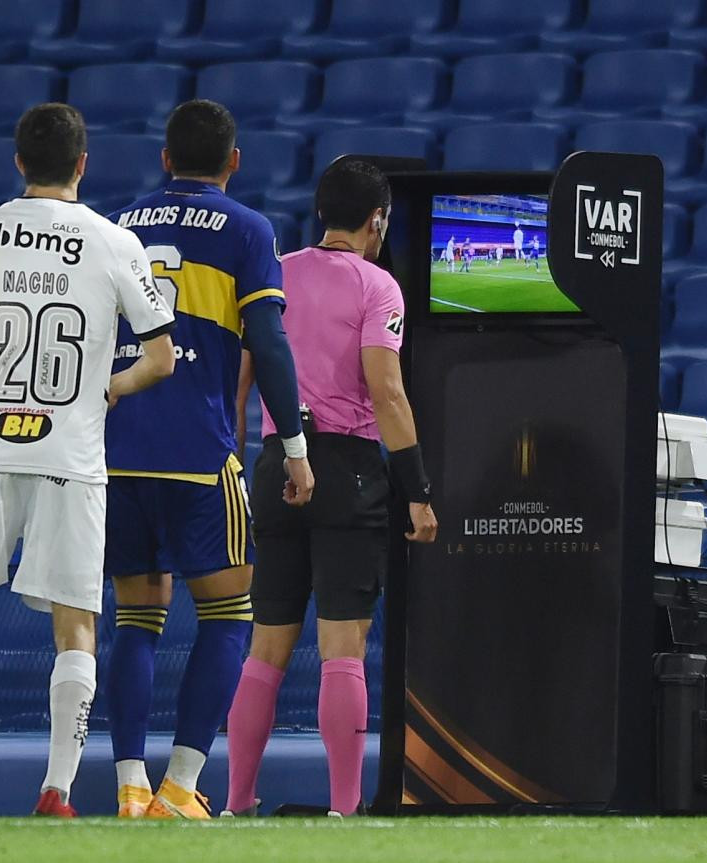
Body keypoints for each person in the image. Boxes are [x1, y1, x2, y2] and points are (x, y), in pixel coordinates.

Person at [0, 103, 177, 818]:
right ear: (82, 164)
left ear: (18, 163)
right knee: (76, 617)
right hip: (70, 451)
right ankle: (56, 789)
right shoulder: (115, 242)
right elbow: (161, 357)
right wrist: (106, 388)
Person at [103, 99, 314, 820]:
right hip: (199, 452)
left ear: (164, 160)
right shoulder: (249, 229)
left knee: (135, 619)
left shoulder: (120, 225)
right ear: (233, 162)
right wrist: (294, 447)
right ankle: (181, 785)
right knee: (228, 615)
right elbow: (271, 344)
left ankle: (130, 784)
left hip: (119, 450)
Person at [225, 159, 438, 818]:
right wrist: (418, 489)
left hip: (272, 462)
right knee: (342, 645)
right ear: (377, 220)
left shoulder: (274, 273)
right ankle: (346, 811)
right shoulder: (378, 287)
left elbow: (240, 382)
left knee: (265, 646)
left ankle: (237, 803)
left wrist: (238, 462)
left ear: (322, 212)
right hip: (347, 470)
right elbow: (389, 391)